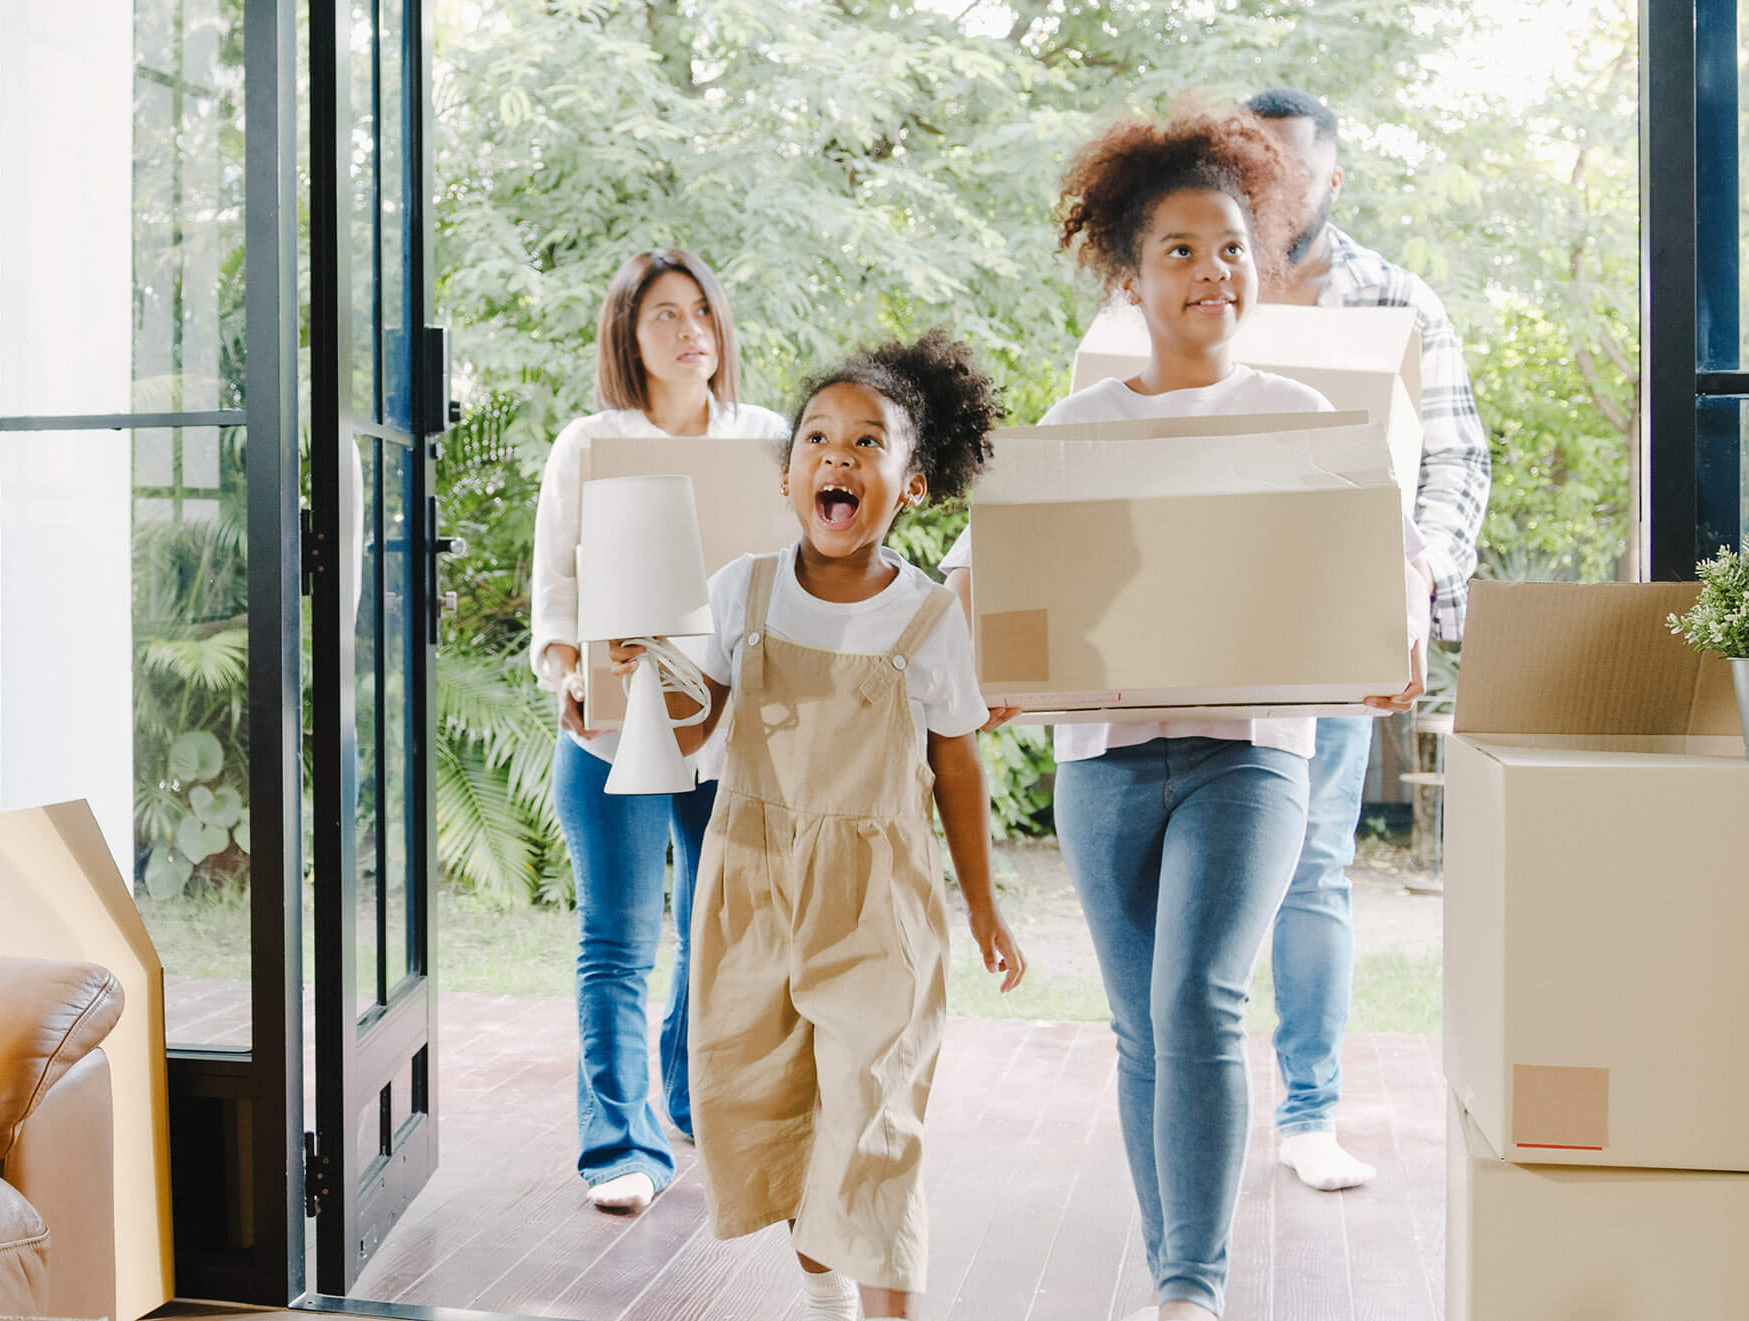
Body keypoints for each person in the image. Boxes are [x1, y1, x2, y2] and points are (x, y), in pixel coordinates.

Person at [938, 109, 1430, 1321]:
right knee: (1138, 1024)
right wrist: (984, 658)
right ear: (1128, 275)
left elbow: (1388, 560)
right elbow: (978, 572)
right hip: (1104, 758)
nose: (1214, 274)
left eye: (1231, 251)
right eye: (1181, 251)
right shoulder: (1076, 429)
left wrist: (1401, 639)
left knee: (1197, 996)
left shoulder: (1302, 413)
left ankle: (1188, 1289)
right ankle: (1177, 1272)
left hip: (1250, 752)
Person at [634, 329, 1027, 1321]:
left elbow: (956, 764)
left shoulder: (930, 620)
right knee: (768, 1111)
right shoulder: (741, 593)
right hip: (750, 886)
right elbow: (690, 722)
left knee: (873, 1117)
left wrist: (981, 908)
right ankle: (825, 1293)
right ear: (791, 475)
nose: (838, 455)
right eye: (816, 437)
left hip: (875, 904)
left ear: (915, 487)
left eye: (868, 442)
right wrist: (634, 673)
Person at [1242, 87, 1493, 1195]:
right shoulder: (1185, 282)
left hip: (1335, 622)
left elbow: (1455, 463)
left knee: (1313, 868)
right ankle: (1182, 1098)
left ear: (1330, 181)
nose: (1270, 190)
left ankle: (1309, 1110)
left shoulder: (1397, 300)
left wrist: (1416, 583)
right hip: (1198, 624)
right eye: (1251, 167)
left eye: (1291, 170)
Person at [527, 248, 790, 1214]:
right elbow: (554, 593)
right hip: (614, 735)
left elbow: (800, 576)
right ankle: (618, 1147)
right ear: (628, 339)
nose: (690, 334)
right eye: (664, 318)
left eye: (702, 315)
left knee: (713, 937)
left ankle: (687, 1099)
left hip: (727, 732)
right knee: (616, 943)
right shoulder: (591, 444)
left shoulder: (767, 437)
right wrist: (569, 676)